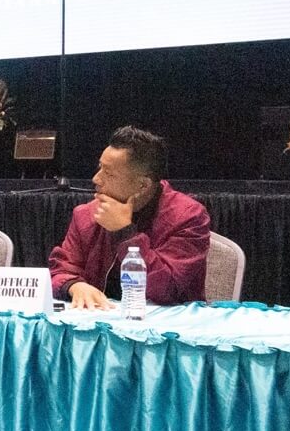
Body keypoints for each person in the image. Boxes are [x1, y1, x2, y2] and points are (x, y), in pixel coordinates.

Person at [49, 126, 211, 308]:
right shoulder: (86, 214)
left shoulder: (188, 217)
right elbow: (60, 269)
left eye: (108, 173)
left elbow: (167, 289)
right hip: (100, 317)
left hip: (168, 321)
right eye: (100, 167)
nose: (96, 179)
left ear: (143, 185)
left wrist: (125, 233)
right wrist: (74, 285)